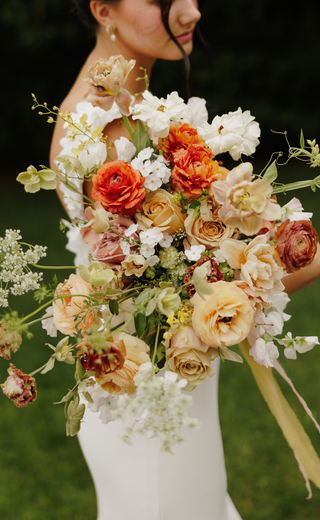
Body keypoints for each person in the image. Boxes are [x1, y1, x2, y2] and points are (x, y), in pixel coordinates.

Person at [49, 2, 320, 519]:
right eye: (160, 0)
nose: (191, 10)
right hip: (151, 401)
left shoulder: (130, 102)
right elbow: (196, 281)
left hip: (167, 378)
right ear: (104, 8)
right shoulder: (99, 129)